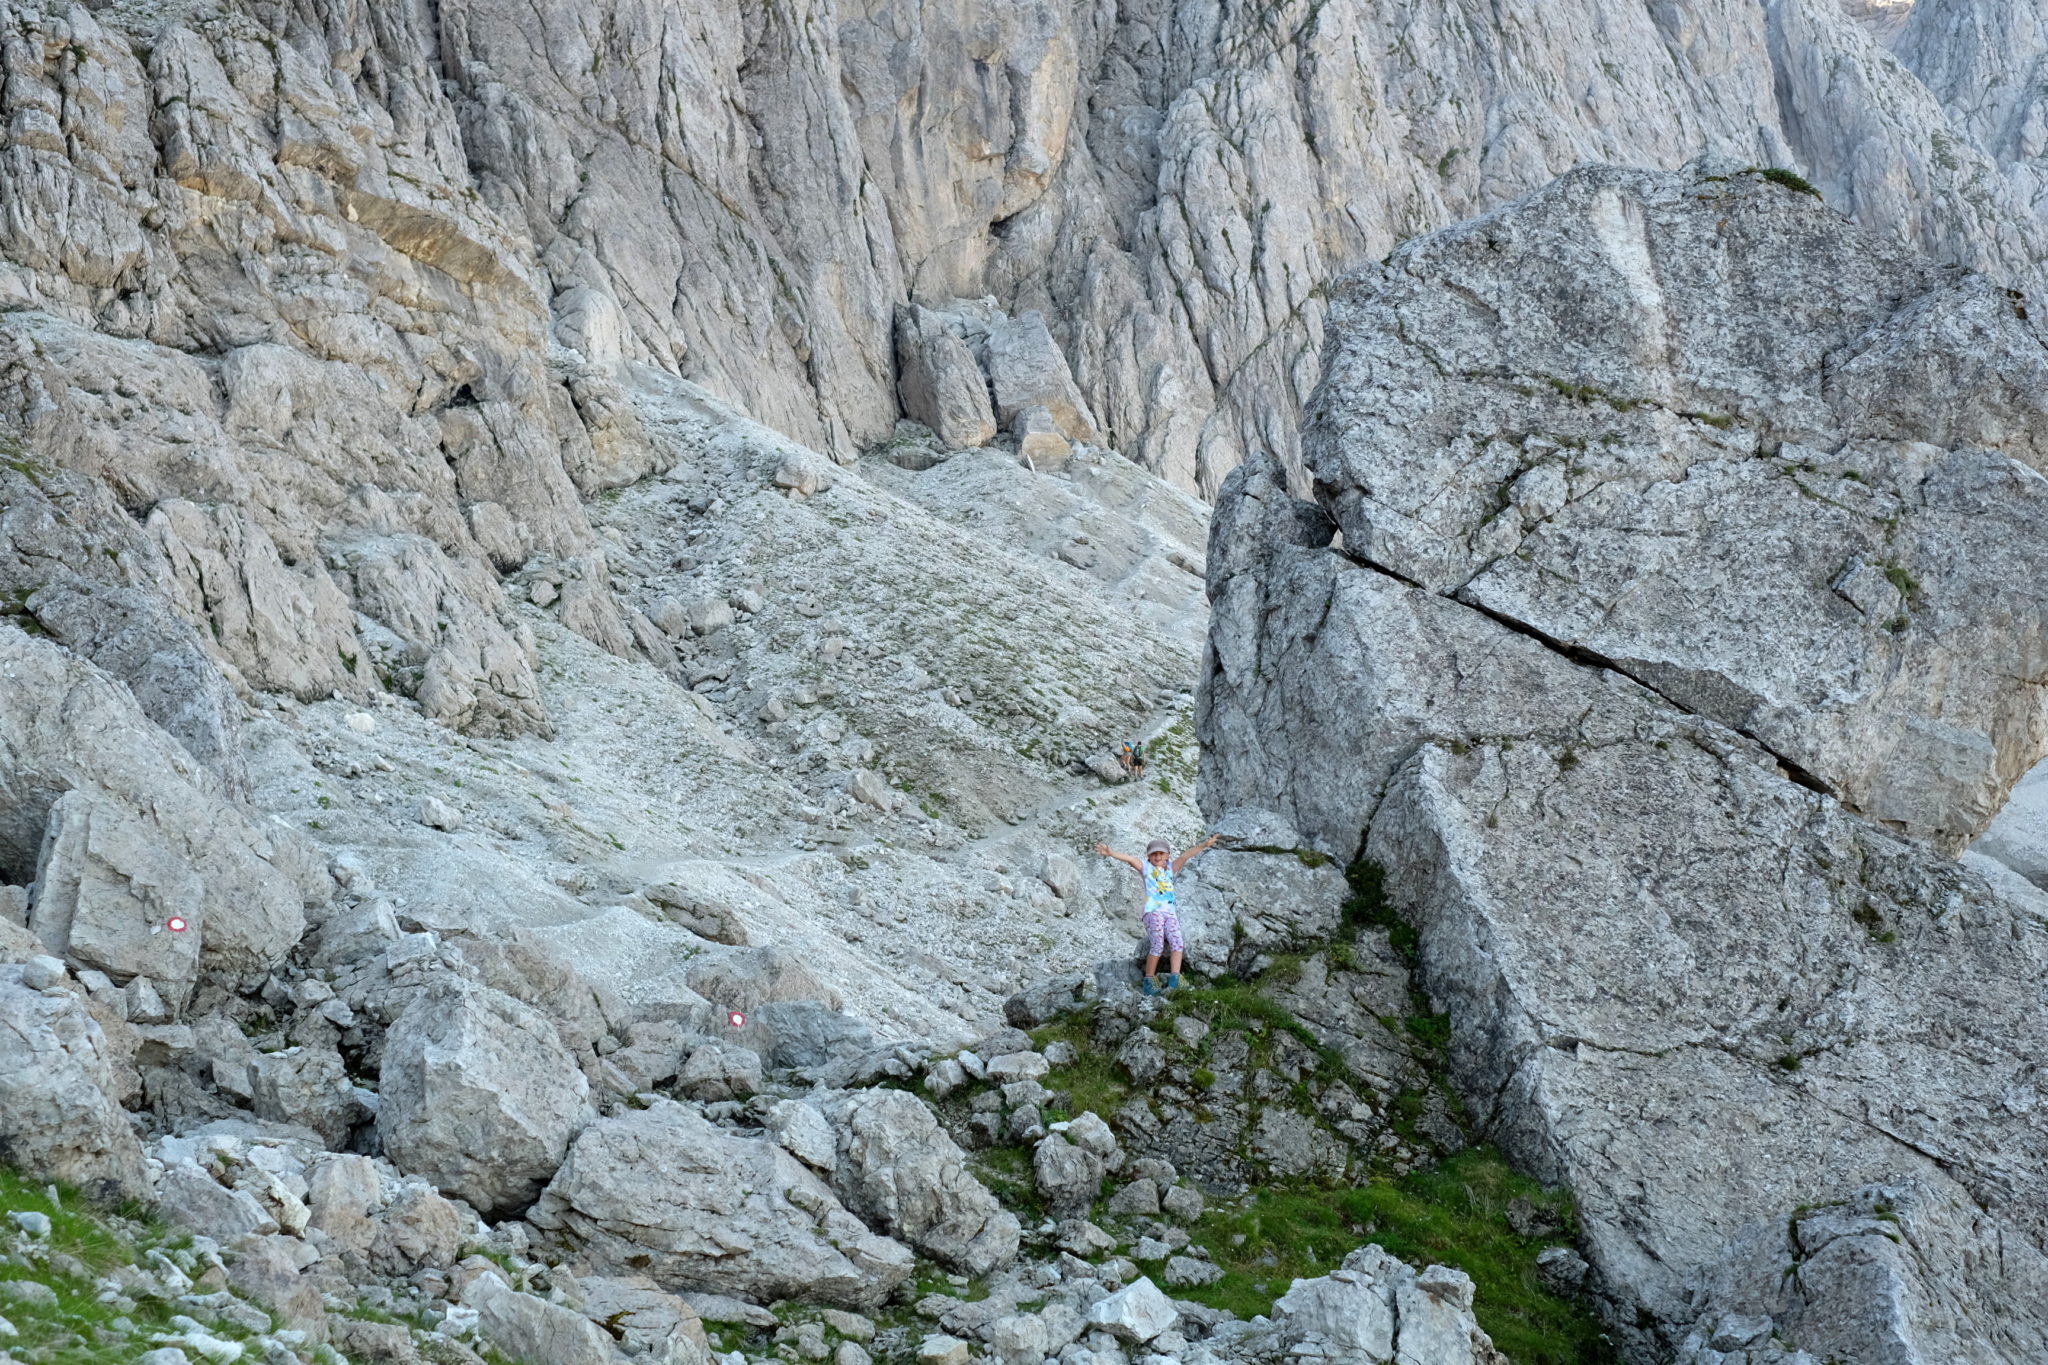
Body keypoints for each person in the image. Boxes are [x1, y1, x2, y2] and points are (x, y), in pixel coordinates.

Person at [1094, 834, 1220, 994]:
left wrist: (1205, 844)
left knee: (1177, 943)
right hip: (1153, 912)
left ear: (1167, 855)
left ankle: (1175, 979)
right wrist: (1112, 853)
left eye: (1161, 853)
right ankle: (1149, 980)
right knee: (1158, 945)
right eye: (1154, 854)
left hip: (1170, 913)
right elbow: (1131, 859)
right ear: (1148, 856)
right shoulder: (1146, 868)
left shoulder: (1171, 869)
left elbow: (1185, 855)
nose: (1158, 856)